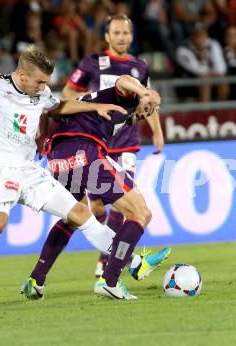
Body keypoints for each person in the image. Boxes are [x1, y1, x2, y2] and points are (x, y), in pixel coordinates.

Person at [0, 32, 134, 309]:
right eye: (40, 81)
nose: (44, 87)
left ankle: (133, 262)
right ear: (22, 75)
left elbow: (57, 106)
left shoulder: (39, 92)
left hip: (29, 169)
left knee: (79, 212)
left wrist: (95, 106)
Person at [22, 74, 170, 300]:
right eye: (149, 107)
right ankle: (110, 280)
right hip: (85, 150)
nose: (148, 112)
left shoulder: (109, 111)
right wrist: (142, 91)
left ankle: (36, 279)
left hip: (58, 157)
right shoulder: (123, 97)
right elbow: (122, 80)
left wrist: (40, 136)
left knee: (71, 218)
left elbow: (47, 111)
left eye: (152, 111)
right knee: (140, 213)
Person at [61, 13, 166, 277]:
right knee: (97, 208)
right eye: (116, 33)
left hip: (127, 143)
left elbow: (149, 102)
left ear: (132, 36)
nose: (121, 38)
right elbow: (67, 94)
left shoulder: (140, 66)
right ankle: (113, 254)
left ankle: (107, 261)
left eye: (126, 33)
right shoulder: (92, 63)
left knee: (123, 202)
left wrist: (157, 132)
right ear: (107, 36)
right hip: (98, 142)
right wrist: (92, 104)